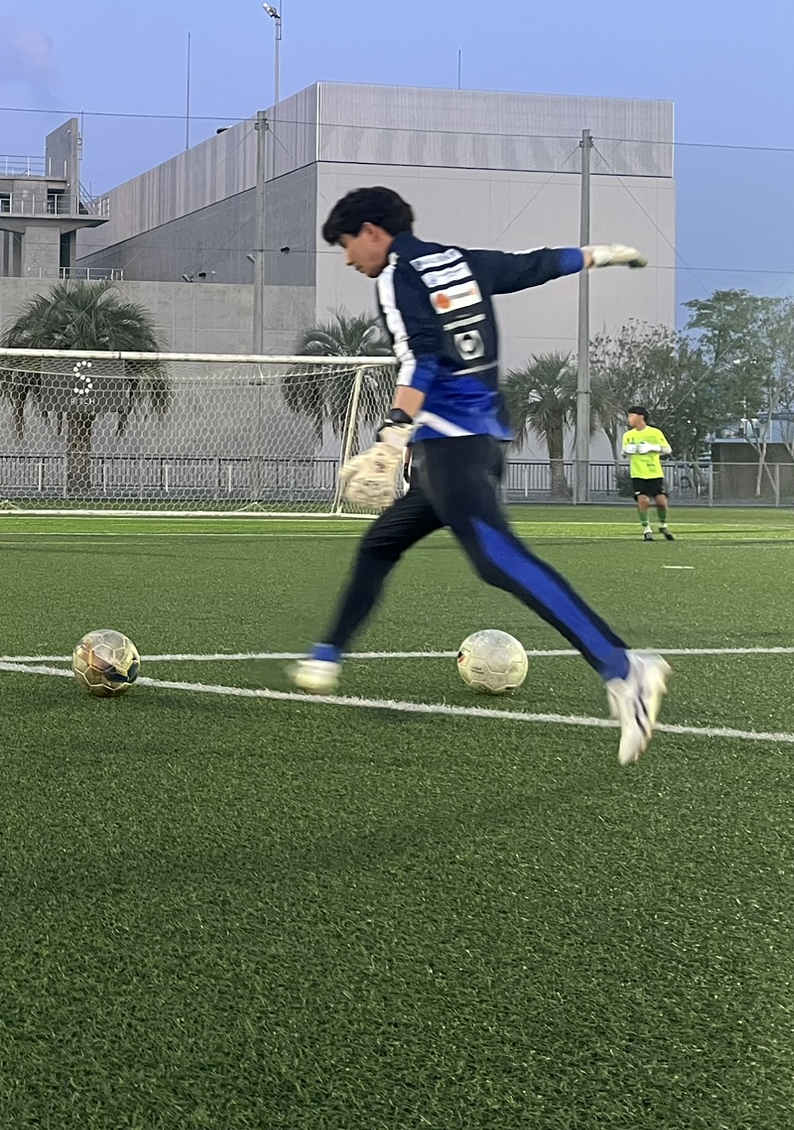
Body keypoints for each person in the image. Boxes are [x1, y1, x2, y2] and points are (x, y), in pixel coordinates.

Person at [289, 187, 670, 765]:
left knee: (499, 561)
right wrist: (602, 254)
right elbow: (532, 266)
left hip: (452, 447)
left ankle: (624, 668)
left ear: (372, 232)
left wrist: (392, 433)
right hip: (480, 444)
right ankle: (328, 653)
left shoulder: (395, 274)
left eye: (346, 244)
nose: (347, 258)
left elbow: (421, 358)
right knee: (381, 543)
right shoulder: (459, 261)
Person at [621, 405, 674, 541]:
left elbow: (667, 449)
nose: (629, 419)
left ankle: (663, 525)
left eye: (631, 416)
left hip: (655, 473)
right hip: (638, 474)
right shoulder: (628, 435)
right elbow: (623, 453)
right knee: (643, 501)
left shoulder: (655, 433)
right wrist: (627, 451)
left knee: (661, 502)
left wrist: (652, 448)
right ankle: (647, 530)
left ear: (640, 417)